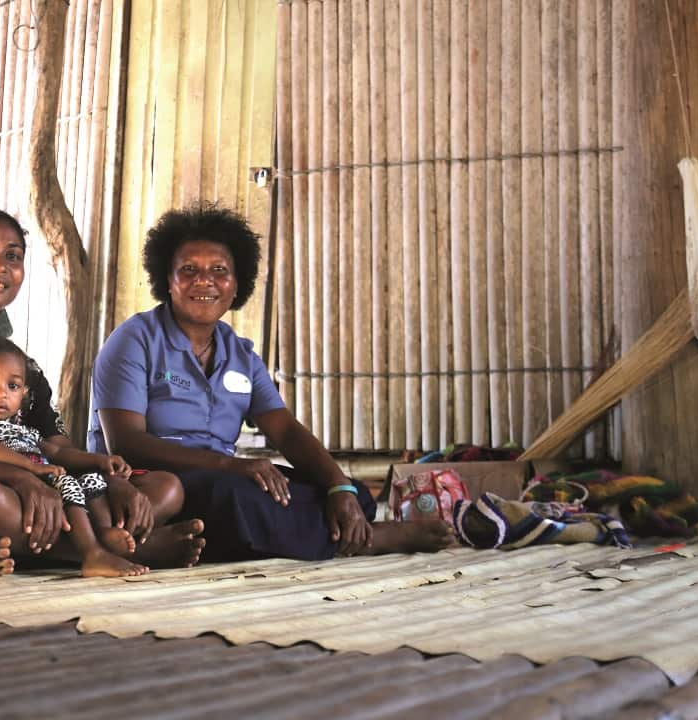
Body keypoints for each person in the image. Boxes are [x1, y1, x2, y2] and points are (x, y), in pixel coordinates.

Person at [88, 203, 455, 563]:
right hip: (150, 482)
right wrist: (230, 466)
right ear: (167, 281)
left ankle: (330, 527)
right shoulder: (134, 340)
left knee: (350, 494)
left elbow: (286, 432)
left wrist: (337, 486)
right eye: (188, 269)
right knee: (234, 501)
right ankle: (368, 539)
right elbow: (127, 443)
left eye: (219, 270)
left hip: (220, 474)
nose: (204, 281)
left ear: (237, 286)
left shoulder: (241, 356)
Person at [0, 207, 205, 576]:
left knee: (165, 487)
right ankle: (103, 548)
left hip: (32, 496)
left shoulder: (17, 365)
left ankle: (82, 545)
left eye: (12, 256)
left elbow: (59, 449)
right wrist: (22, 479)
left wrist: (111, 481)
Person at [0, 335, 188, 577]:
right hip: (14, 488)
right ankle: (91, 552)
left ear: (24, 393)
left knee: (91, 479)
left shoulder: (28, 430)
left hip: (48, 480)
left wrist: (99, 461)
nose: (0, 393)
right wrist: (30, 468)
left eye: (12, 386)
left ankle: (106, 533)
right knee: (66, 483)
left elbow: (57, 451)